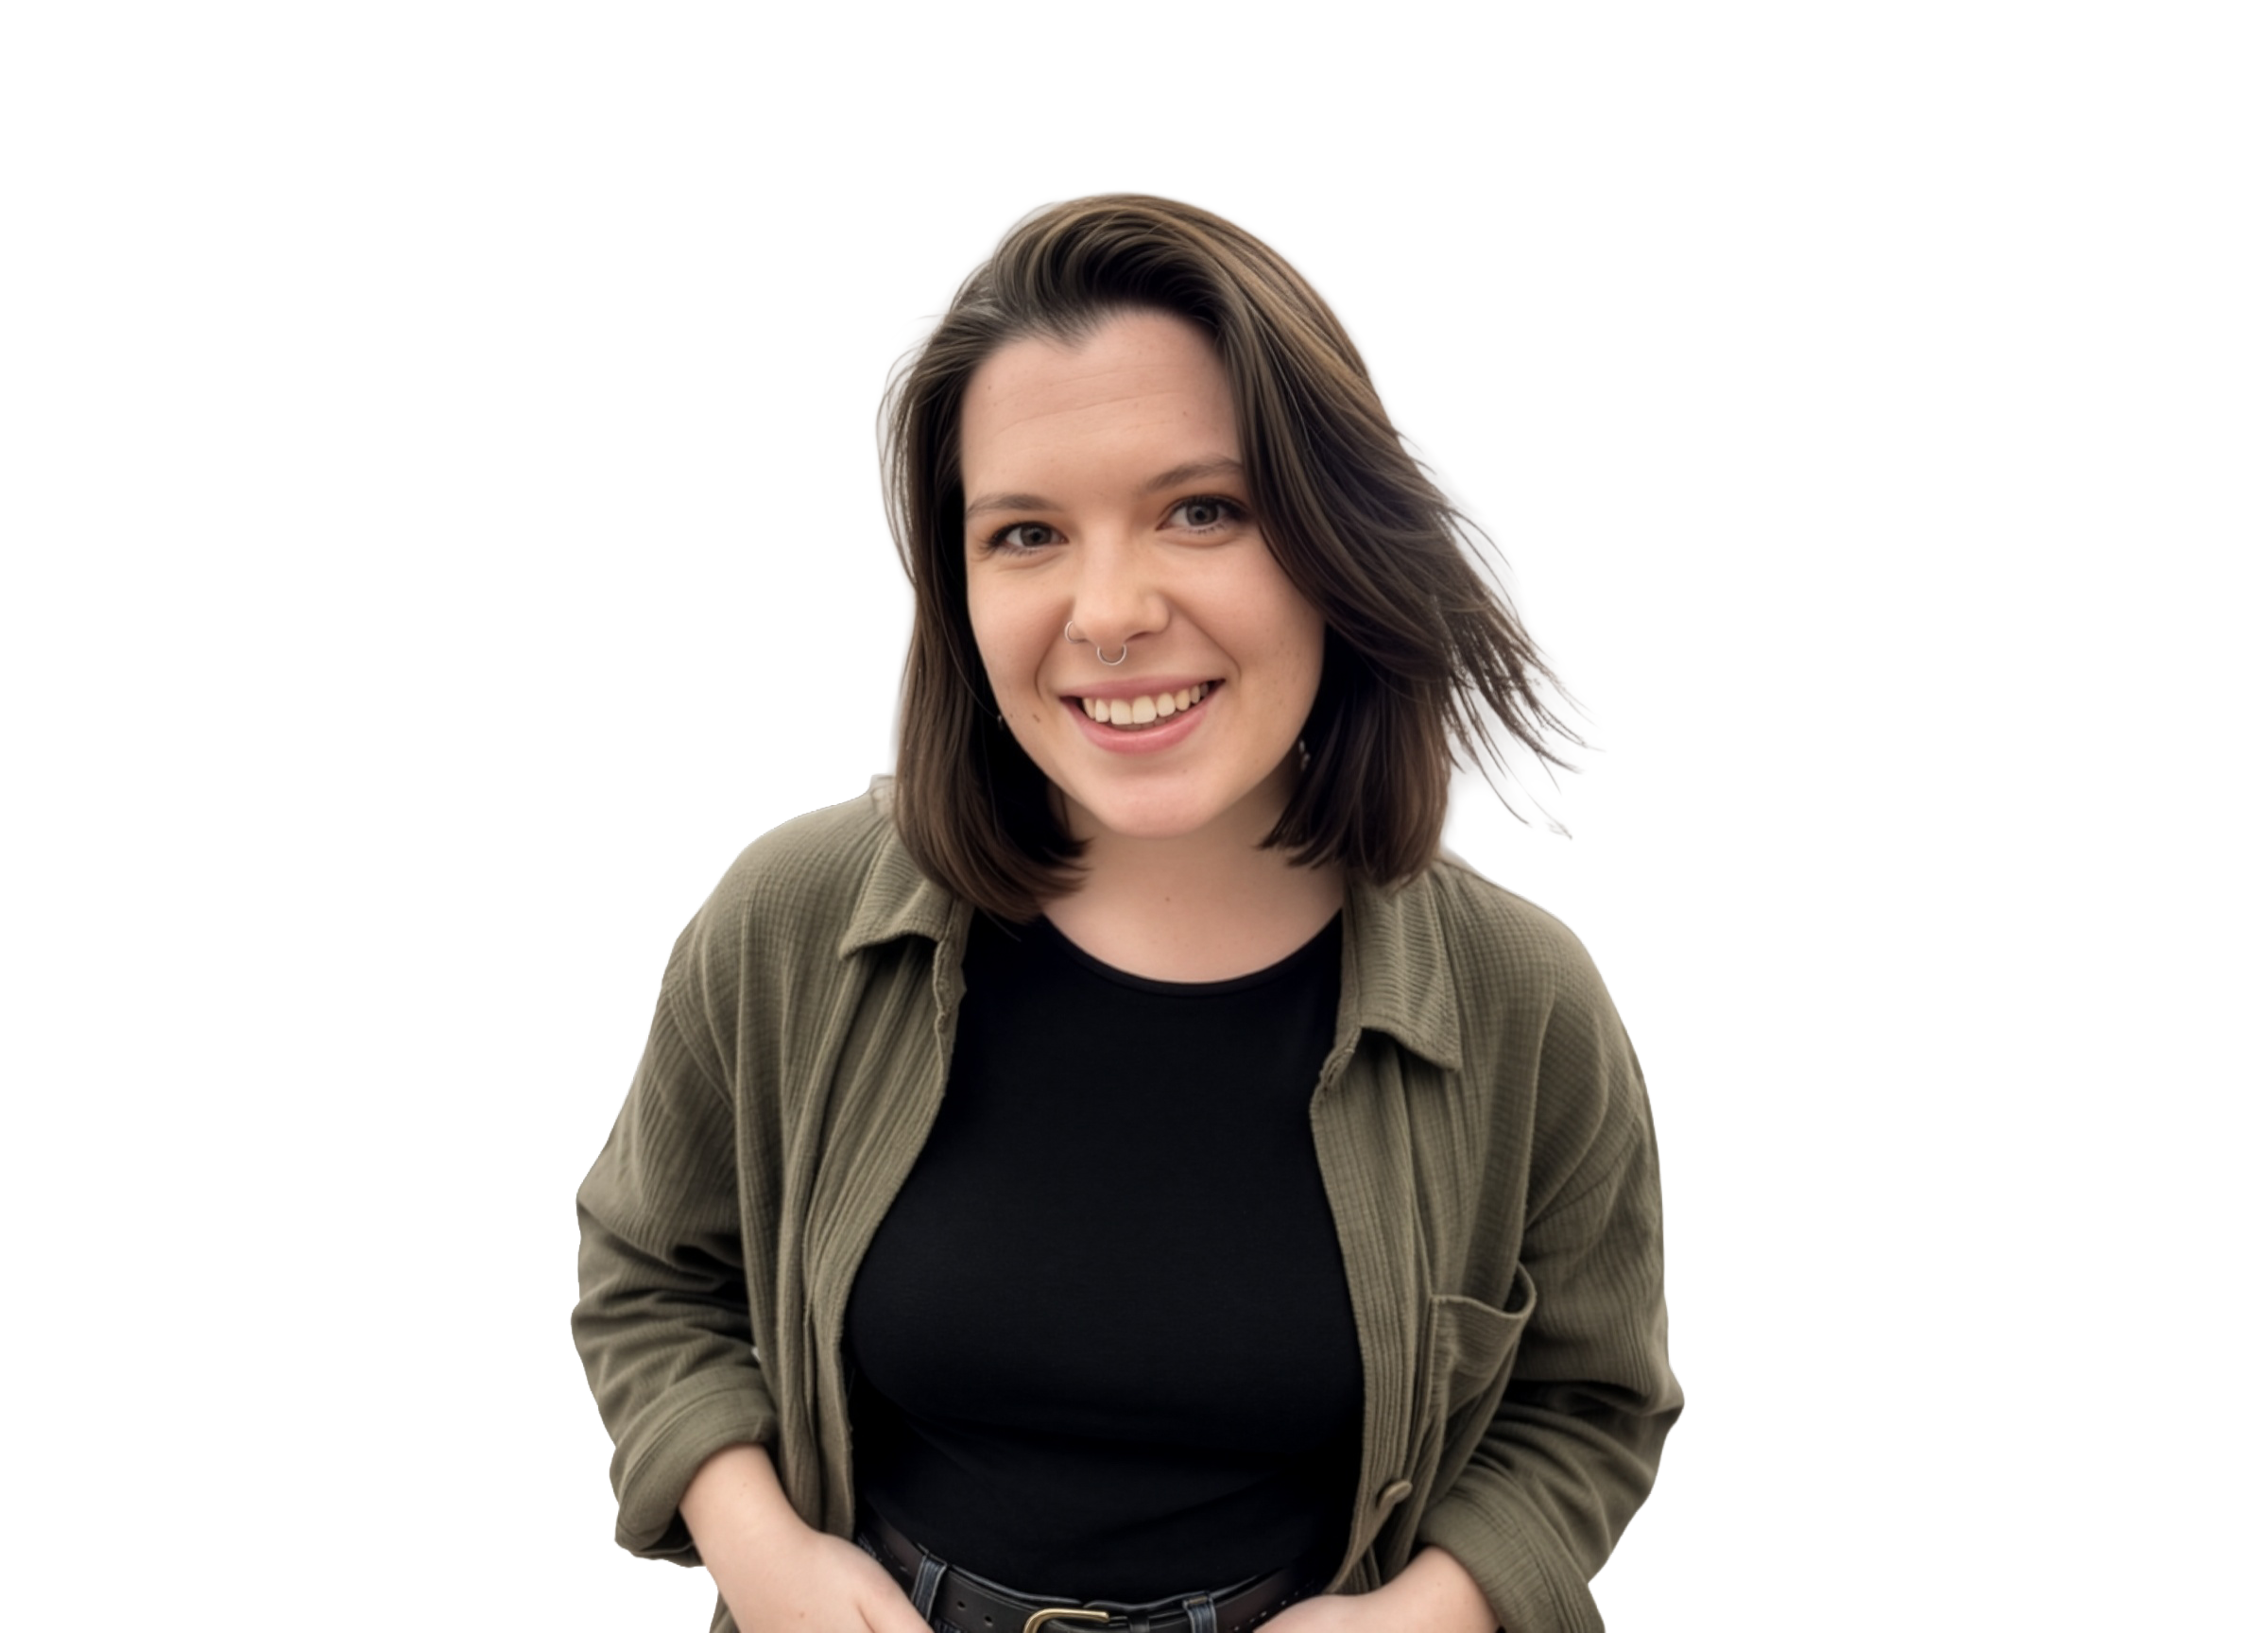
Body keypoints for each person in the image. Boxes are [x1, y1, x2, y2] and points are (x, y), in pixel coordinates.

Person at [574, 193, 1682, 1633]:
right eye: (1026, 533)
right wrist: (757, 1543)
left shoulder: (1527, 1007)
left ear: (1335, 539)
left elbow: (1589, 1404)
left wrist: (1435, 1609)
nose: (1107, 610)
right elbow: (654, 1272)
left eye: (1201, 510)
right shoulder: (787, 921)